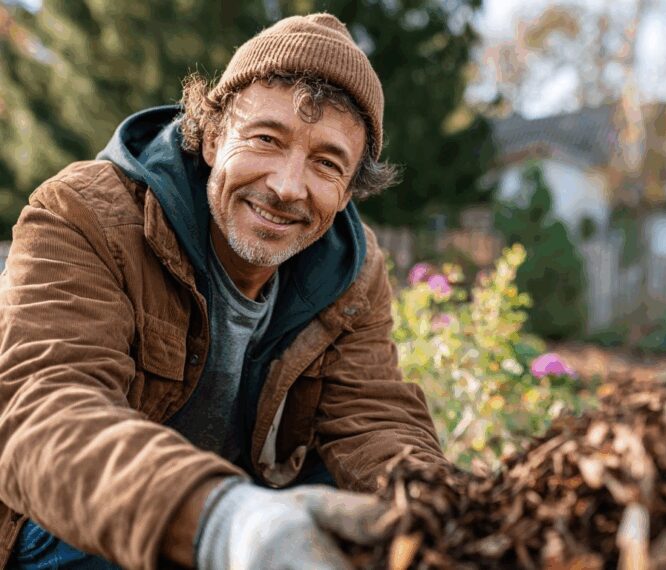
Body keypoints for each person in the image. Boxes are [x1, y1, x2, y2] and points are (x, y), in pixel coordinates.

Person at [0, 12, 449, 570]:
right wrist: (222, 520)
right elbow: (42, 411)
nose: (287, 187)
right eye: (266, 139)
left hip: (250, 519)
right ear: (213, 136)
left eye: (326, 164)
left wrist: (450, 524)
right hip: (84, 523)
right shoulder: (84, 212)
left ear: (349, 191)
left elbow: (374, 420)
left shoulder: (352, 271)